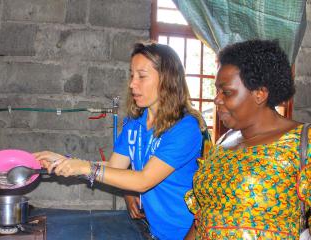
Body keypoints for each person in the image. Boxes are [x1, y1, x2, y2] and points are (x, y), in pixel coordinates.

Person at [34, 41, 206, 240]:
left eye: (142, 76)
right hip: (153, 230)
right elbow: (115, 166)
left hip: (185, 233)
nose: (133, 83)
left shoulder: (185, 127)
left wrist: (83, 167)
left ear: (167, 80)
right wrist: (64, 161)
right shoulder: (134, 123)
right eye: (132, 75)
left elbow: (143, 181)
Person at [184, 39, 311, 239]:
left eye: (226, 92)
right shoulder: (223, 143)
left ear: (259, 93)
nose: (216, 99)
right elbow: (202, 218)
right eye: (217, 91)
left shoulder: (302, 142)